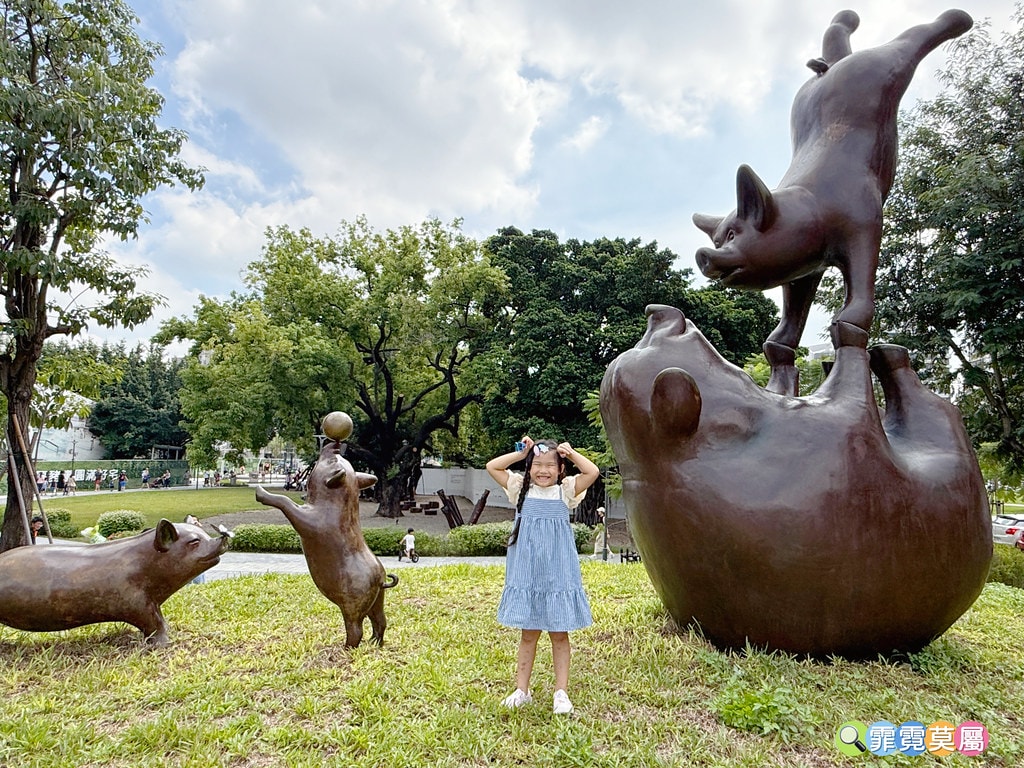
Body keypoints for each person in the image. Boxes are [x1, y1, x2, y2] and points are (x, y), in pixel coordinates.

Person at [485, 436, 599, 714]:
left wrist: (570, 454)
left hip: (559, 572)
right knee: (528, 634)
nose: (543, 470)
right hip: (528, 573)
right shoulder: (519, 489)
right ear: (529, 467)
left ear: (561, 470)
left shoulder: (566, 491)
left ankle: (561, 692)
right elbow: (493, 466)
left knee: (559, 635)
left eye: (550, 465)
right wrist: (521, 453)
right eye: (537, 464)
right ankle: (521, 690)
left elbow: (592, 472)